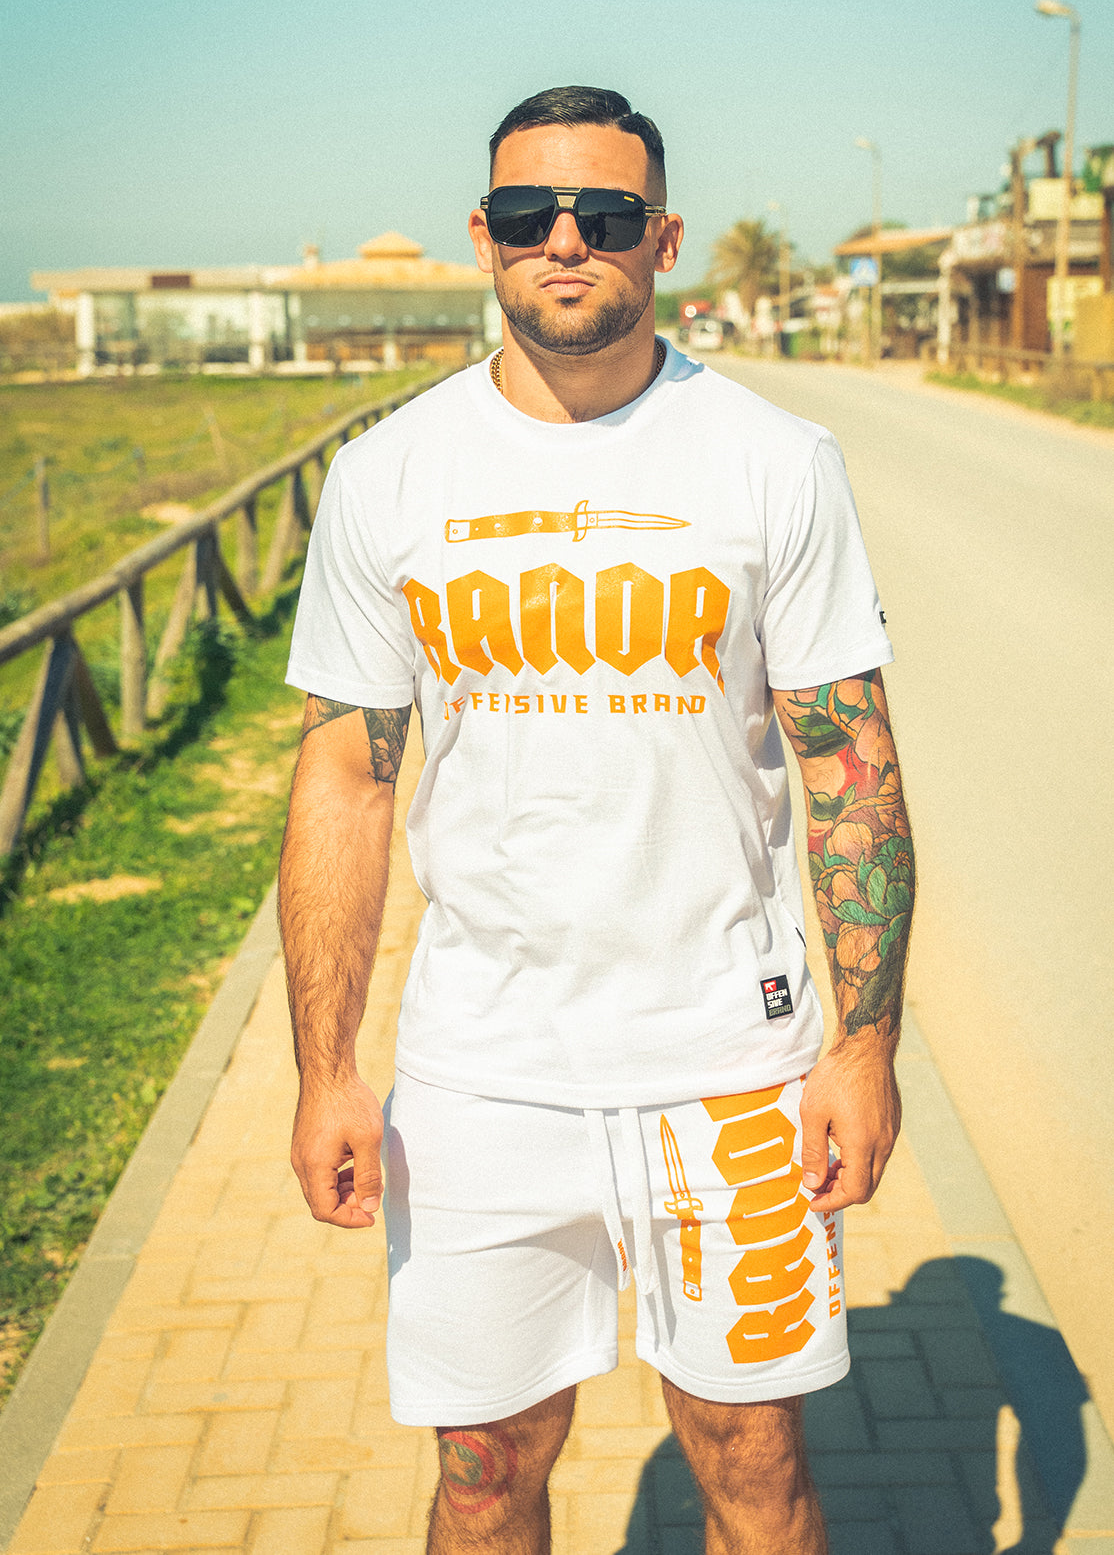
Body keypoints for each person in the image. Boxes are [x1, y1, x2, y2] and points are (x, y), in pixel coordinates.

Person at [280, 85, 913, 1555]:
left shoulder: (773, 460)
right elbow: (347, 779)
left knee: (752, 1463)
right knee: (482, 1471)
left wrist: (864, 1045)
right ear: (483, 238)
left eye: (606, 214)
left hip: (731, 1067)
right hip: (480, 1079)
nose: (564, 241)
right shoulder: (388, 475)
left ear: (663, 240)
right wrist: (326, 1072)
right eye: (528, 213)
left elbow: (848, 763)